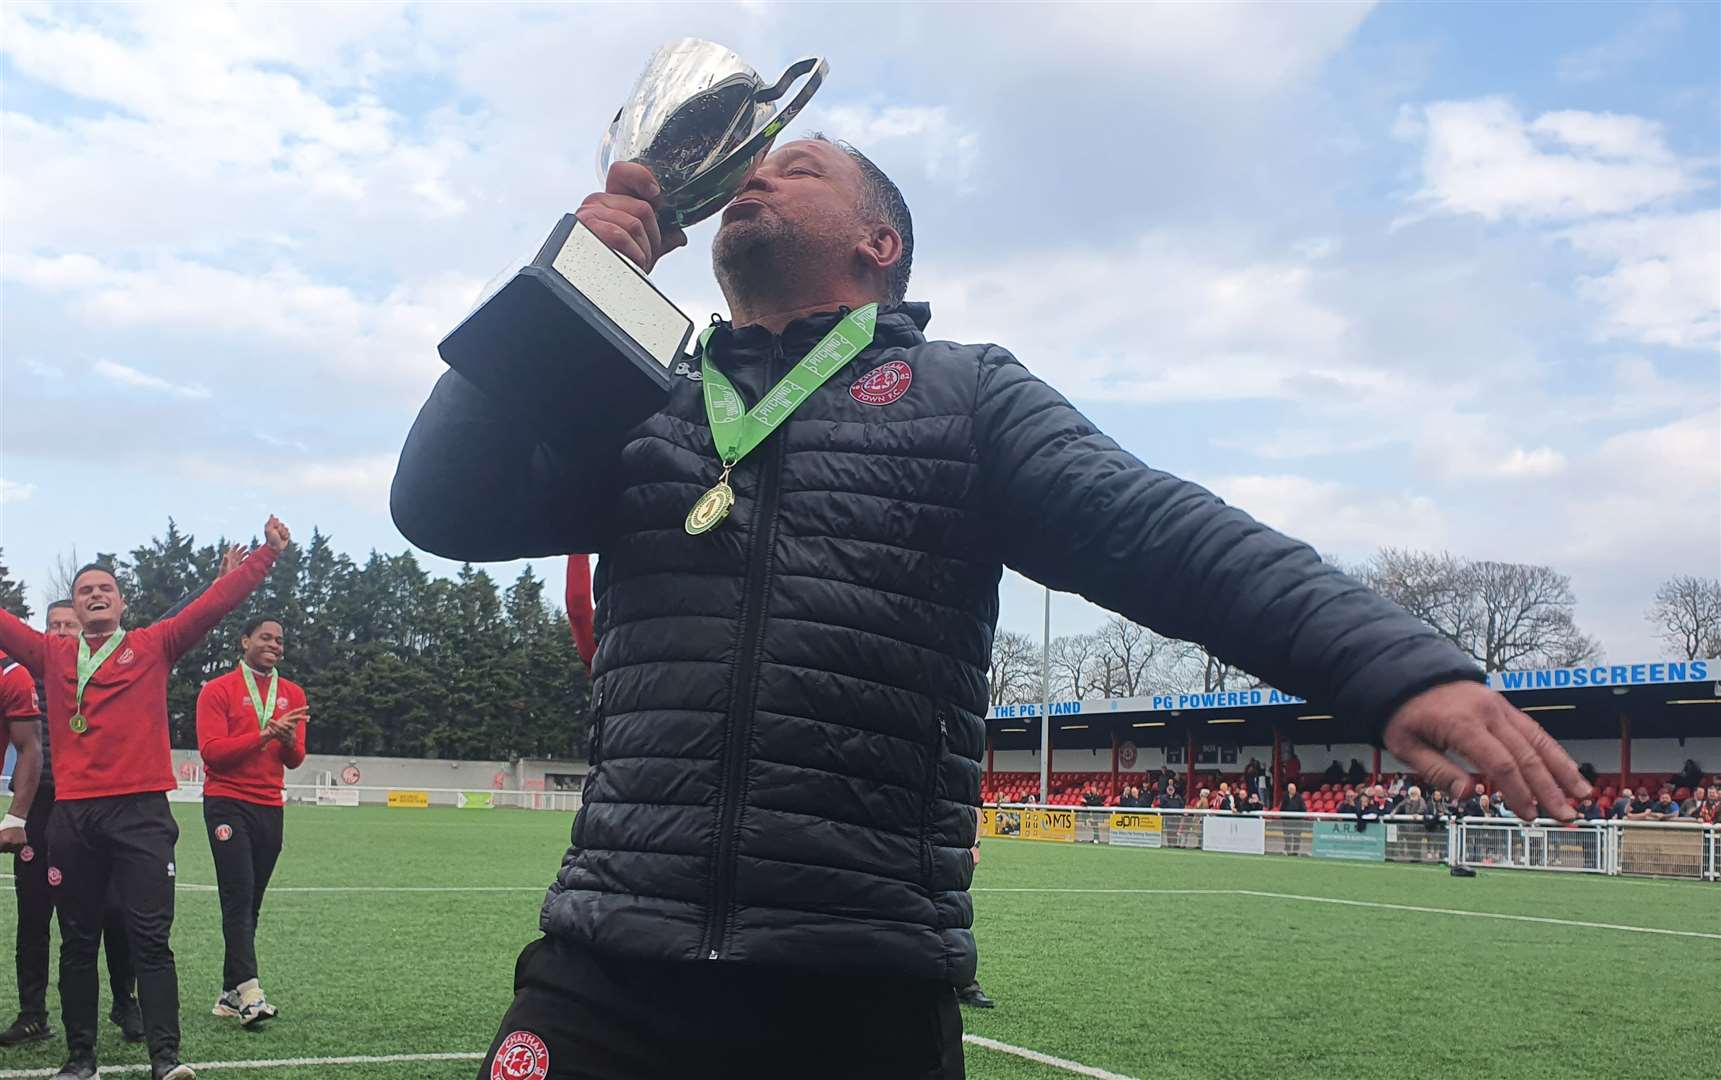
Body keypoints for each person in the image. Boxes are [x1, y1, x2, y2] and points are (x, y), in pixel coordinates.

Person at [392, 137, 1588, 1079]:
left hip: (854, 989)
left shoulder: (965, 398)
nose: (751, 175)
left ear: (879, 240)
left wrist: (1390, 664)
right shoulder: (637, 392)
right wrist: (576, 283)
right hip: (606, 965)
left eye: (795, 167)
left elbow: (1161, 532)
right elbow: (440, 505)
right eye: (749, 168)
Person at [0, 517, 290, 1080]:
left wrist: (267, 554)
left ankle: (166, 1059)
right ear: (76, 608)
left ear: (122, 602)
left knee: (150, 939)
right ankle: (80, 1058)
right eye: (86, 590)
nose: (95, 595)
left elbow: (214, 606)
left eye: (105, 588)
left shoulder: (153, 645)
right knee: (78, 940)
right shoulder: (52, 656)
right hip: (75, 815)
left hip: (141, 815)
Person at [2, 602, 143, 1048]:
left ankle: (126, 1002)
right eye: (53, 626)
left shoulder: (104, 674)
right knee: (34, 914)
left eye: (70, 625)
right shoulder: (23, 678)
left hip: (94, 807)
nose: (61, 632)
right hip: (40, 805)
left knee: (115, 910)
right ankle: (32, 1014)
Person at [196, 616, 309, 1026]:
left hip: (269, 805)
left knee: (251, 901)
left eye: (280, 639)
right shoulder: (217, 689)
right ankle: (250, 993)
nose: (274, 644)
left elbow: (295, 760)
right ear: (244, 641)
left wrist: (284, 738)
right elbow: (212, 752)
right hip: (227, 802)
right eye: (265, 636)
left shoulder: (293, 693)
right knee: (238, 895)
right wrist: (264, 734)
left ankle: (229, 993)